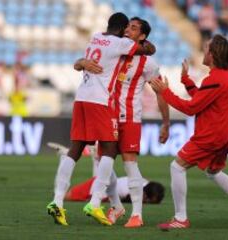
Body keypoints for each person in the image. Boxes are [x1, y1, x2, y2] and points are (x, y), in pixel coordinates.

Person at [46, 12, 155, 226]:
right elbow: (148, 50)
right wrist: (146, 44)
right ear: (123, 28)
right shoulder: (121, 44)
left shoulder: (96, 36)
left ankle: (57, 201)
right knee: (110, 148)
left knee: (75, 149)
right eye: (127, 28)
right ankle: (95, 203)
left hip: (81, 98)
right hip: (101, 101)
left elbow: (82, 62)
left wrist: (80, 62)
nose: (128, 32)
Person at [150, 34, 228, 230]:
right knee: (214, 172)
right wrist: (187, 81)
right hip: (227, 137)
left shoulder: (215, 78)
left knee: (177, 167)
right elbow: (204, 99)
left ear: (214, 53)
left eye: (207, 47)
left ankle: (180, 218)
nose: (204, 49)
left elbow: (191, 108)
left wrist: (165, 92)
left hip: (211, 136)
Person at [73, 17, 170, 228]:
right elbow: (89, 57)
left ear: (142, 36)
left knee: (129, 163)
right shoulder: (116, 51)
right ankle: (116, 206)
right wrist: (81, 62)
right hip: (106, 113)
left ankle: (137, 214)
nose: (128, 30)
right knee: (103, 163)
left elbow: (160, 93)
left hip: (130, 118)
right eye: (128, 26)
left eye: (134, 28)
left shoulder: (148, 63)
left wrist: (166, 122)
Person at [47, 142, 165, 204]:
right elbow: (128, 198)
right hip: (99, 188)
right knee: (60, 196)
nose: (147, 202)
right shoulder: (133, 190)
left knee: (100, 177)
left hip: (107, 183)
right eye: (149, 200)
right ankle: (64, 158)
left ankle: (95, 158)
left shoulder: (144, 182)